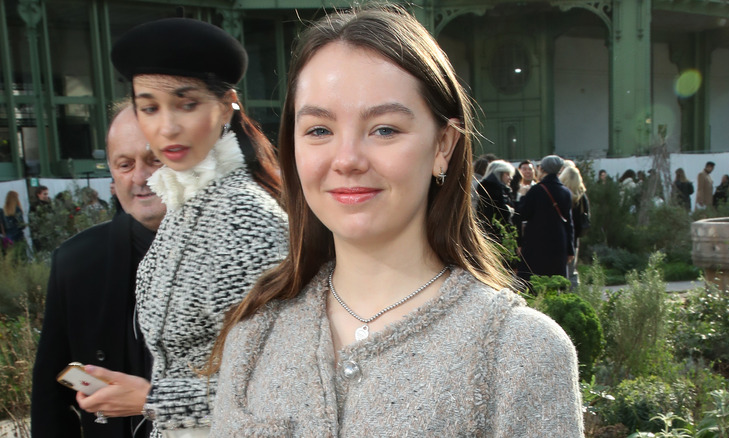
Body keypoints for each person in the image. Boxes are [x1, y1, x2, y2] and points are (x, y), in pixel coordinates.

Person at [208, 6, 583, 436]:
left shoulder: (518, 352)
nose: (346, 159)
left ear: (443, 145)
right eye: (318, 130)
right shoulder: (255, 336)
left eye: (384, 129)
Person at [75, 18, 289, 435]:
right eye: (149, 107)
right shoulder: (184, 203)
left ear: (226, 106)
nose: (166, 127)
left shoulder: (246, 219)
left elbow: (279, 388)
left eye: (186, 103)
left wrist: (150, 398)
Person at [31, 104, 166, 438]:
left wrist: (151, 400)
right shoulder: (76, 261)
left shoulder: (242, 254)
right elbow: (51, 396)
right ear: (111, 171)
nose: (139, 177)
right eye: (125, 164)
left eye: (154, 160)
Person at [515, 155, 575, 282]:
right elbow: (569, 223)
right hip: (559, 240)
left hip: (537, 240)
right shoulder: (566, 192)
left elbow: (523, 214)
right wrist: (570, 249)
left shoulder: (536, 190)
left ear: (542, 169)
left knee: (535, 279)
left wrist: (522, 197)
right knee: (555, 280)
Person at [560, 165, 589, 288]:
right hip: (575, 239)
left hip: (560, 238)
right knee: (572, 272)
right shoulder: (581, 196)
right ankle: (573, 296)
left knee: (559, 273)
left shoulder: (561, 194)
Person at [476, 159, 516, 242]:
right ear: (499, 174)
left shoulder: (502, 189)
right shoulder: (491, 189)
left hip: (498, 233)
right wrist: (509, 210)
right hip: (495, 234)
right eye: (507, 174)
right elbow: (498, 212)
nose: (510, 178)